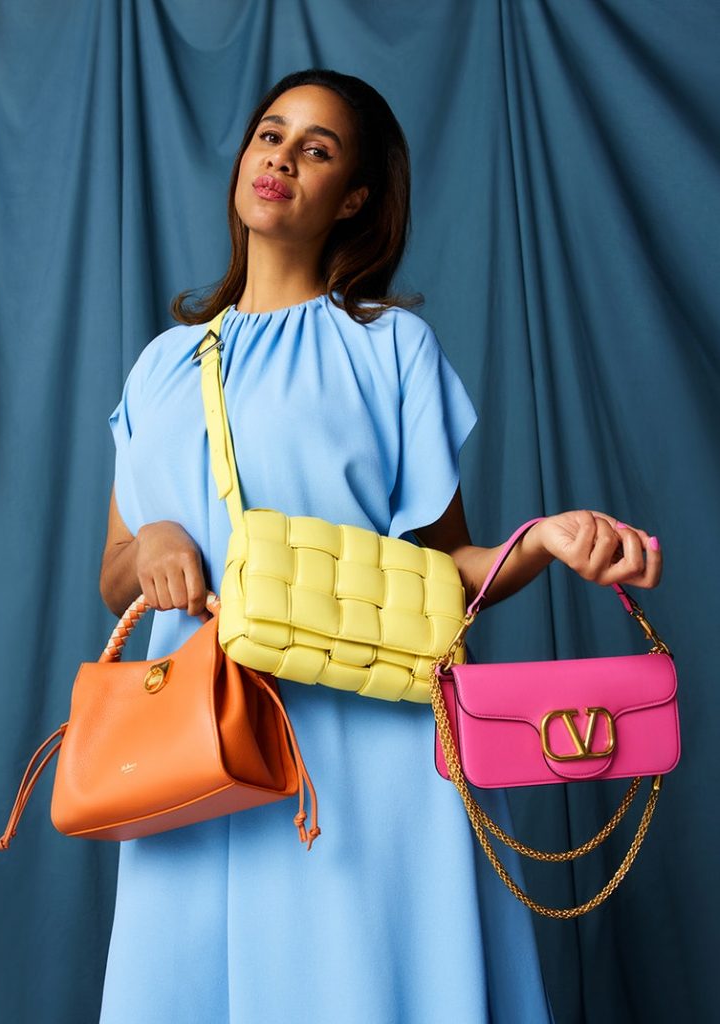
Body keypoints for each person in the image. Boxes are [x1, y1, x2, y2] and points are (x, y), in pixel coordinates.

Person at [98, 69, 661, 1024]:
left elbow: (440, 573)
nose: (279, 155)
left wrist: (545, 541)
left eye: (315, 148)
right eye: (270, 134)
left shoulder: (389, 347)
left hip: (368, 747)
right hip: (196, 749)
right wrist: (154, 535)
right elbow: (118, 575)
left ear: (352, 196)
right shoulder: (160, 365)